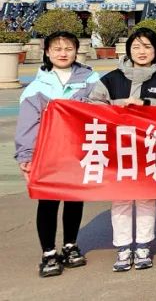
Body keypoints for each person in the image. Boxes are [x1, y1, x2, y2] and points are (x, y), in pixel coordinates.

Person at [89, 28, 156, 272]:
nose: (142, 52)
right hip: (118, 149)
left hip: (150, 147)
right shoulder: (110, 79)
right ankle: (122, 248)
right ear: (128, 50)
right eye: (136, 46)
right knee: (120, 198)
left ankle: (143, 246)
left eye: (147, 47)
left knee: (146, 198)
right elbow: (94, 106)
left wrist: (145, 104)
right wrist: (118, 108)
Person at [16, 31, 101, 277]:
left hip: (78, 150)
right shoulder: (36, 87)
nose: (63, 53)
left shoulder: (92, 80)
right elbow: (27, 125)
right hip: (48, 153)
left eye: (68, 49)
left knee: (74, 199)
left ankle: (70, 245)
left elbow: (102, 108)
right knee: (48, 201)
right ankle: (49, 253)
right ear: (47, 52)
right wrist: (26, 155)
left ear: (76, 51)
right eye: (57, 49)